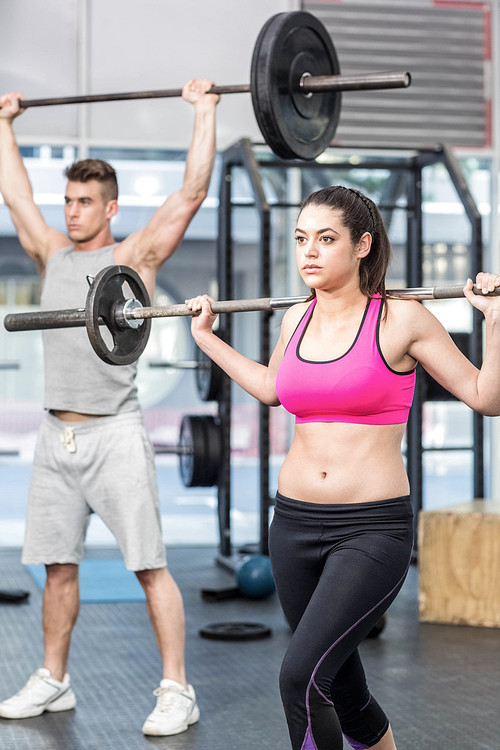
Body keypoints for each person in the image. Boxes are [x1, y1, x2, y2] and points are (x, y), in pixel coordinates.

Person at [185, 185, 500, 750]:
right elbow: (270, 388)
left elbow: (485, 396)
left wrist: (496, 321)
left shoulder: (402, 319)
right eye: (302, 238)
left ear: (363, 245)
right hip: (293, 528)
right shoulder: (295, 321)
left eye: (326, 239)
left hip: (371, 531)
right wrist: (207, 339)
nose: (309, 250)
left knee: (300, 678)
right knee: (344, 690)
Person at [0, 81, 219, 736]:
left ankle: (178, 687)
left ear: (111, 207)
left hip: (115, 434)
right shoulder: (51, 254)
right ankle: (53, 678)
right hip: (56, 435)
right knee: (57, 566)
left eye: (85, 202)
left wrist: (204, 112)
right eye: (67, 200)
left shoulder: (133, 258)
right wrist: (4, 123)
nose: (70, 212)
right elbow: (14, 194)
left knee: (150, 567)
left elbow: (190, 196)